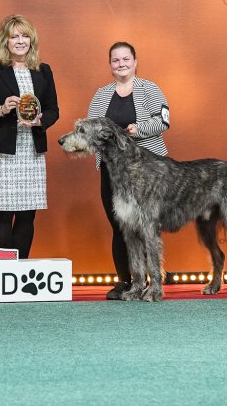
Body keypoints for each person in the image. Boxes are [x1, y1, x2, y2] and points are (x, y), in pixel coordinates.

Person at [0, 14, 59, 259]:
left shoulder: (43, 70)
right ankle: (3, 270)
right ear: (5, 41)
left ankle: (20, 270)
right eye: (14, 36)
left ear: (32, 40)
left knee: (27, 215)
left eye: (25, 36)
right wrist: (1, 109)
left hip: (32, 152)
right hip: (3, 154)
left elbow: (53, 110)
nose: (20, 41)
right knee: (3, 214)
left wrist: (39, 121)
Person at [88, 41, 170, 300]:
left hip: (147, 170)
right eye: (116, 60)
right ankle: (125, 281)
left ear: (135, 62)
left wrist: (139, 129)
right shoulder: (101, 94)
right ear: (110, 64)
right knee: (119, 226)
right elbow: (90, 130)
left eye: (126, 59)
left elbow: (164, 120)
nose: (121, 64)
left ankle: (151, 281)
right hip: (113, 171)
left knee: (147, 225)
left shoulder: (150, 88)